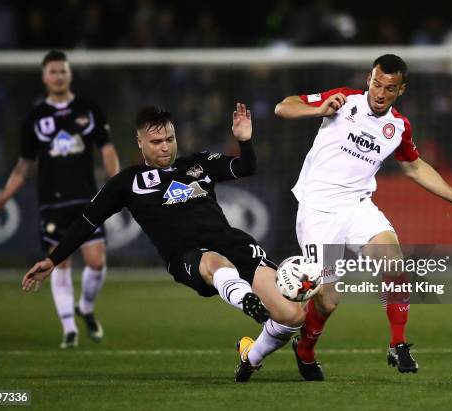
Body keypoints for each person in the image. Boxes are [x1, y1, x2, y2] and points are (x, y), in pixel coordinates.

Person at [21, 103, 306, 382]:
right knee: (214, 262)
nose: (165, 146)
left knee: (293, 316)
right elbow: (87, 221)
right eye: (156, 141)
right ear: (140, 142)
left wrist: (244, 141)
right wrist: (53, 258)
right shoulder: (127, 183)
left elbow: (246, 167)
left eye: (169, 139)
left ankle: (250, 355)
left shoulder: (197, 164)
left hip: (234, 244)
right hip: (188, 256)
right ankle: (246, 300)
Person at [274, 54, 452, 379]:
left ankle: (398, 343)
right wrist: (317, 110)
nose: (380, 93)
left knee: (394, 261)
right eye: (376, 84)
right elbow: (284, 106)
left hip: (357, 206)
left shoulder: (398, 127)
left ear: (400, 90)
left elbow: (415, 167)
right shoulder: (344, 100)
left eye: (389, 88)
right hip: (318, 211)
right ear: (369, 78)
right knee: (328, 300)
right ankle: (305, 349)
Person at [0, 50, 121, 348]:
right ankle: (69, 329)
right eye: (53, 71)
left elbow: (107, 149)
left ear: (70, 75)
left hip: (87, 199)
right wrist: (2, 200)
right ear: (44, 77)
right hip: (52, 203)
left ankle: (85, 307)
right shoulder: (35, 118)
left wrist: (119, 185)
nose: (58, 76)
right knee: (59, 262)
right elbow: (24, 165)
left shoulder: (88, 109)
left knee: (96, 263)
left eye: (63, 70)